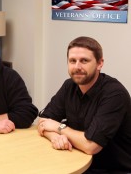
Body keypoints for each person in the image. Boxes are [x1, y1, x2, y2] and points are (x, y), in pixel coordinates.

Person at [37, 36, 131, 172]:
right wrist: (55, 137)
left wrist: (59, 127)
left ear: (100, 63)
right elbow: (43, 121)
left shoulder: (114, 94)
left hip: (113, 169)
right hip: (75, 160)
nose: (77, 67)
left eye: (84, 61)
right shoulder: (69, 86)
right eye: (72, 61)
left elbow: (91, 146)